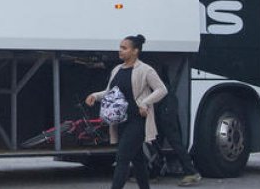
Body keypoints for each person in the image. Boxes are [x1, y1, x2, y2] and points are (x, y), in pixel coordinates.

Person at [86, 34, 167, 189]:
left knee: (122, 157)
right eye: (120, 47)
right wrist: (95, 96)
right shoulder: (117, 69)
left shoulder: (145, 70)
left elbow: (162, 90)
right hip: (121, 121)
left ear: (135, 51)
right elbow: (110, 92)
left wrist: (145, 102)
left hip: (138, 120)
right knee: (137, 160)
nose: (120, 51)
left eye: (124, 48)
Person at [153, 68, 202, 186]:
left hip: (164, 108)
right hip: (165, 106)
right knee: (157, 140)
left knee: (173, 140)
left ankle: (191, 172)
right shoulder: (151, 70)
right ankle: (154, 172)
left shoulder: (144, 70)